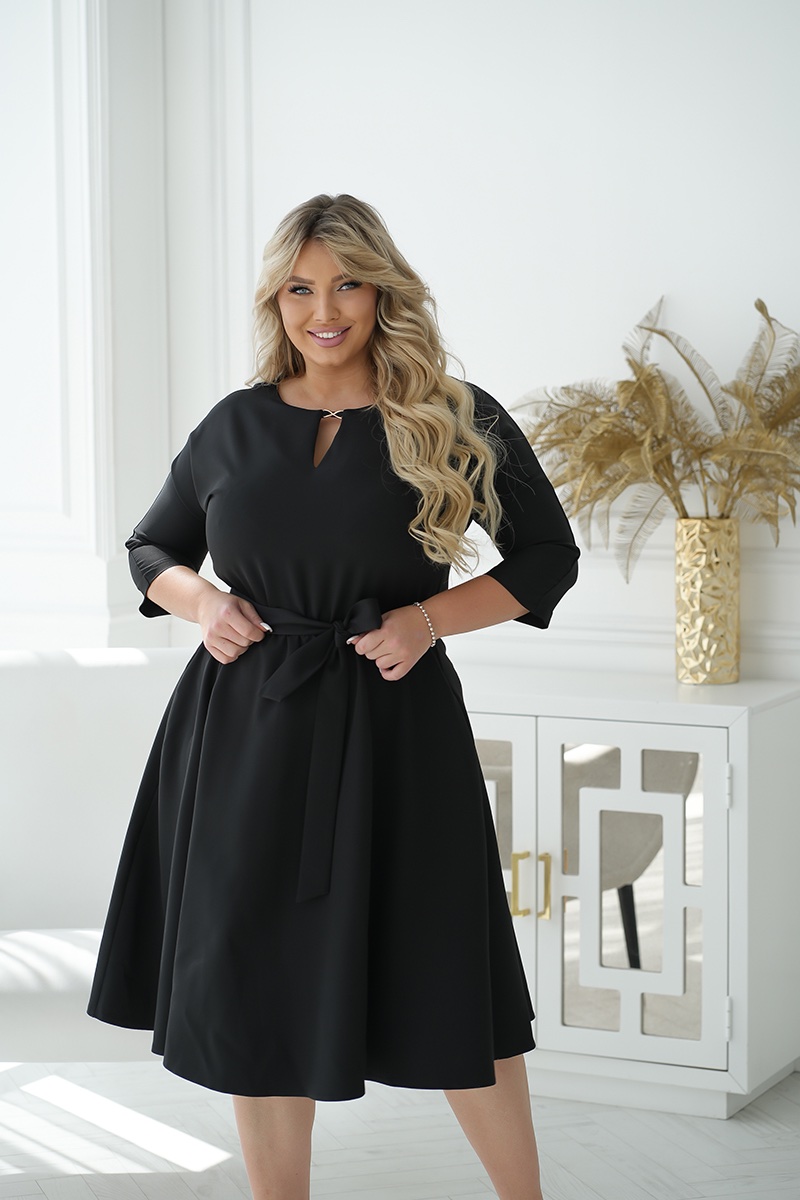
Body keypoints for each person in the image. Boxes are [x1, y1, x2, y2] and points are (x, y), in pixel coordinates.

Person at [88, 193, 579, 1200]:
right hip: (242, 734)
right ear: (275, 300)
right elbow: (150, 548)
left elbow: (546, 557)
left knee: (447, 971)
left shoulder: (454, 415)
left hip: (396, 730)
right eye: (299, 288)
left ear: (382, 290)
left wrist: (428, 620)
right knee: (252, 985)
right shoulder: (233, 423)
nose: (324, 310)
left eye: (347, 283)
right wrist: (202, 603)